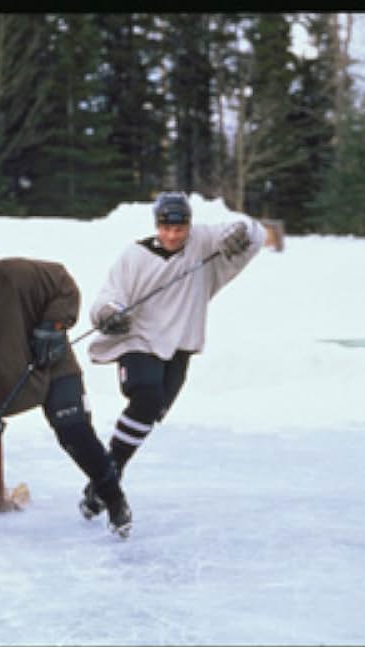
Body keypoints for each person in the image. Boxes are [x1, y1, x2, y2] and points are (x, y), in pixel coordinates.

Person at [0, 231, 133, 537]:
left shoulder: (15, 274)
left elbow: (63, 284)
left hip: (53, 365)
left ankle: (114, 499)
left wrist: (53, 325)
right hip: (6, 379)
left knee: (75, 432)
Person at [81, 190, 265, 518]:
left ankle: (104, 477)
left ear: (189, 226)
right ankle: (110, 480)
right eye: (166, 228)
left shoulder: (203, 243)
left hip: (179, 345)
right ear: (157, 226)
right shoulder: (133, 256)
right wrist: (109, 314)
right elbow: (107, 297)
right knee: (147, 396)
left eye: (179, 229)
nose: (172, 235)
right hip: (137, 339)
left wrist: (243, 232)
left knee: (152, 412)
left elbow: (254, 233)